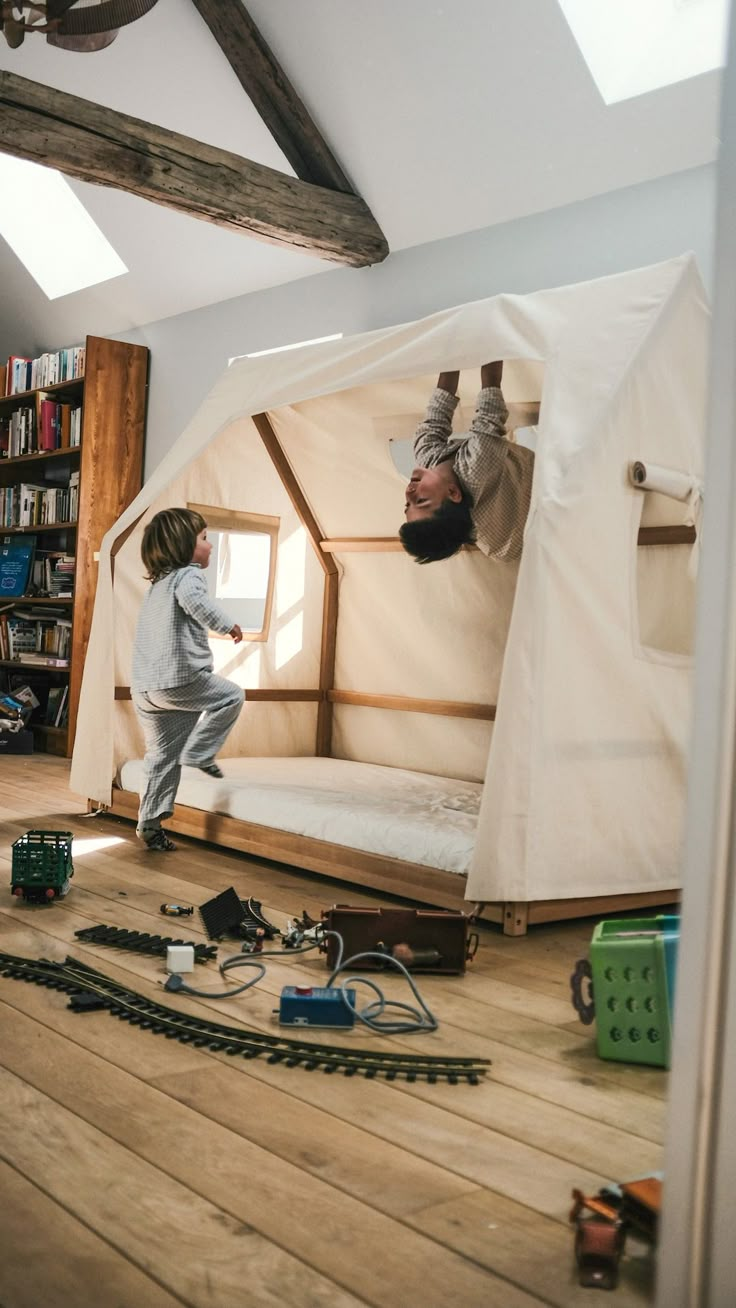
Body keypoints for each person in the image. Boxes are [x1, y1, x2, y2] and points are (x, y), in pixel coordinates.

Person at [131, 507, 245, 851]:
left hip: (146, 689)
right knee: (232, 696)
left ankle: (149, 823)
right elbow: (196, 602)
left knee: (161, 756)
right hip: (179, 680)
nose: (210, 546)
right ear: (185, 546)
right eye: (205, 538)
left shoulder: (157, 585)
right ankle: (200, 751)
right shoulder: (188, 576)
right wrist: (227, 624)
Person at [399, 361, 534, 564]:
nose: (409, 491)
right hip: (521, 530)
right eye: (421, 500)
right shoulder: (477, 467)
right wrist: (483, 340)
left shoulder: (427, 458)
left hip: (506, 514)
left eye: (407, 504)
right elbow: (490, 395)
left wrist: (454, 351)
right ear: (453, 493)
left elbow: (438, 410)